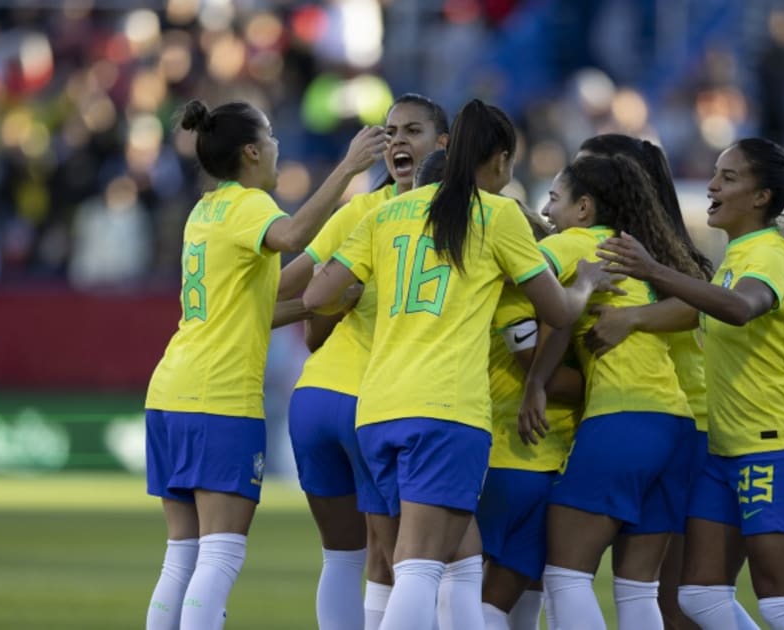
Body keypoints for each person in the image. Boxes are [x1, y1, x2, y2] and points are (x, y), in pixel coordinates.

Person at [302, 98, 618, 630]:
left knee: (463, 560)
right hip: (446, 411)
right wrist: (585, 281)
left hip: (377, 409)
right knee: (419, 567)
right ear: (497, 161)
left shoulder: (385, 213)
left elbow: (315, 298)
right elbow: (557, 310)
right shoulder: (496, 215)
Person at [142, 99, 388, 630]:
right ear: (252, 151)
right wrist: (348, 168)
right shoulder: (247, 204)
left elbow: (251, 308)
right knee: (220, 556)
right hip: (220, 398)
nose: (278, 147)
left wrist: (333, 301)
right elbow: (295, 237)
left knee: (180, 557)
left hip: (169, 392)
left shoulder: (203, 210)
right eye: (272, 136)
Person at [597, 137, 784, 630]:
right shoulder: (737, 254)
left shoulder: (771, 252)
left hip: (773, 442)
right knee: (700, 596)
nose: (712, 185)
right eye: (715, 173)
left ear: (761, 197)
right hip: (724, 448)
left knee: (781, 602)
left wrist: (654, 271)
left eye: (729, 177)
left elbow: (739, 308)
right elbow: (705, 308)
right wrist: (635, 317)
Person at [275, 94, 449, 630]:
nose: (398, 140)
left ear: (444, 145)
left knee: (346, 559)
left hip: (314, 402)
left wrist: (317, 307)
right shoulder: (469, 219)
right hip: (382, 406)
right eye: (391, 131)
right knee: (410, 564)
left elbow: (284, 295)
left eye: (412, 131)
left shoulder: (361, 213)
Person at [521, 154, 705, 630]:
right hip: (676, 423)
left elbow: (519, 268)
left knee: (565, 574)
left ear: (585, 208)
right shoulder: (630, 248)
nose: (545, 211)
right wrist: (538, 380)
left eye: (554, 199)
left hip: (622, 416)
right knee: (638, 586)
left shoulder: (576, 241)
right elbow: (694, 305)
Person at [577, 133, 716, 630]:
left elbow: (701, 305)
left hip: (686, 426)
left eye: (587, 171)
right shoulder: (615, 247)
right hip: (658, 424)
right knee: (653, 593)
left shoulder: (658, 254)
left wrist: (632, 318)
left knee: (677, 598)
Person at [477, 198, 584, 630]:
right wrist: (607, 387)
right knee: (490, 602)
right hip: (522, 458)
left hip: (510, 459)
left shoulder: (497, 293)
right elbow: (543, 374)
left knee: (509, 594)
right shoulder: (512, 299)